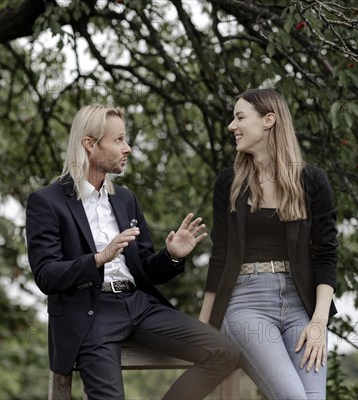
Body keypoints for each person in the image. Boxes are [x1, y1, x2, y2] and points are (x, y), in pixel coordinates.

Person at [26, 104, 238, 399]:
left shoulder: (125, 199)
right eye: (118, 140)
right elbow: (46, 275)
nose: (127, 148)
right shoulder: (47, 202)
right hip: (92, 313)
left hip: (139, 305)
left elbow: (146, 267)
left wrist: (173, 255)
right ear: (89, 144)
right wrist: (99, 258)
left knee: (224, 353)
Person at [199, 89, 338, 399]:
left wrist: (319, 321)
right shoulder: (229, 183)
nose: (231, 126)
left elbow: (326, 254)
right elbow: (219, 255)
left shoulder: (312, 181)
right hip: (246, 304)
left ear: (269, 121)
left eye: (239, 118)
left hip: (300, 305)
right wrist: (204, 326)